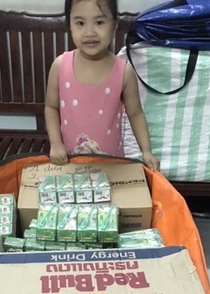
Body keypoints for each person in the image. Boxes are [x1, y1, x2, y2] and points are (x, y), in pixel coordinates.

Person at [45, 0, 160, 171]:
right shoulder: (60, 66)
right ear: (69, 25)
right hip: (70, 164)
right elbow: (51, 107)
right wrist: (55, 143)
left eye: (99, 22)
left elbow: (136, 114)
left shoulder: (124, 72)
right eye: (80, 23)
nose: (90, 32)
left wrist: (147, 151)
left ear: (114, 25)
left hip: (112, 165)